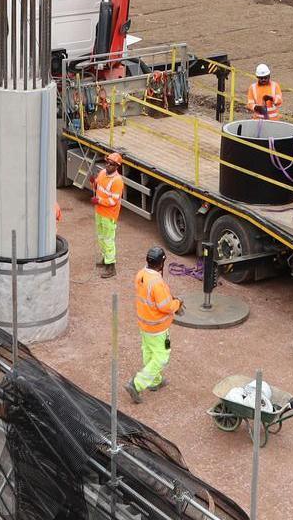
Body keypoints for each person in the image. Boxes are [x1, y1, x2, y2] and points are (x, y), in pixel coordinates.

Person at [130, 245, 181, 402]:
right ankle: (137, 384)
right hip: (157, 327)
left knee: (149, 351)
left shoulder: (141, 275)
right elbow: (165, 306)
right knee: (161, 357)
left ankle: (155, 381)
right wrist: (177, 303)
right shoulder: (157, 282)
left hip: (144, 324)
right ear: (161, 264)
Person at [91, 152, 126, 277]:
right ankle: (105, 259)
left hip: (109, 215)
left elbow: (113, 201)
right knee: (101, 237)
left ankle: (111, 267)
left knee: (108, 239)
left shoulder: (117, 181)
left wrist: (98, 201)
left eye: (111, 164)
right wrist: (93, 182)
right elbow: (98, 187)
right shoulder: (101, 173)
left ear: (117, 167)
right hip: (99, 212)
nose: (108, 165)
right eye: (107, 162)